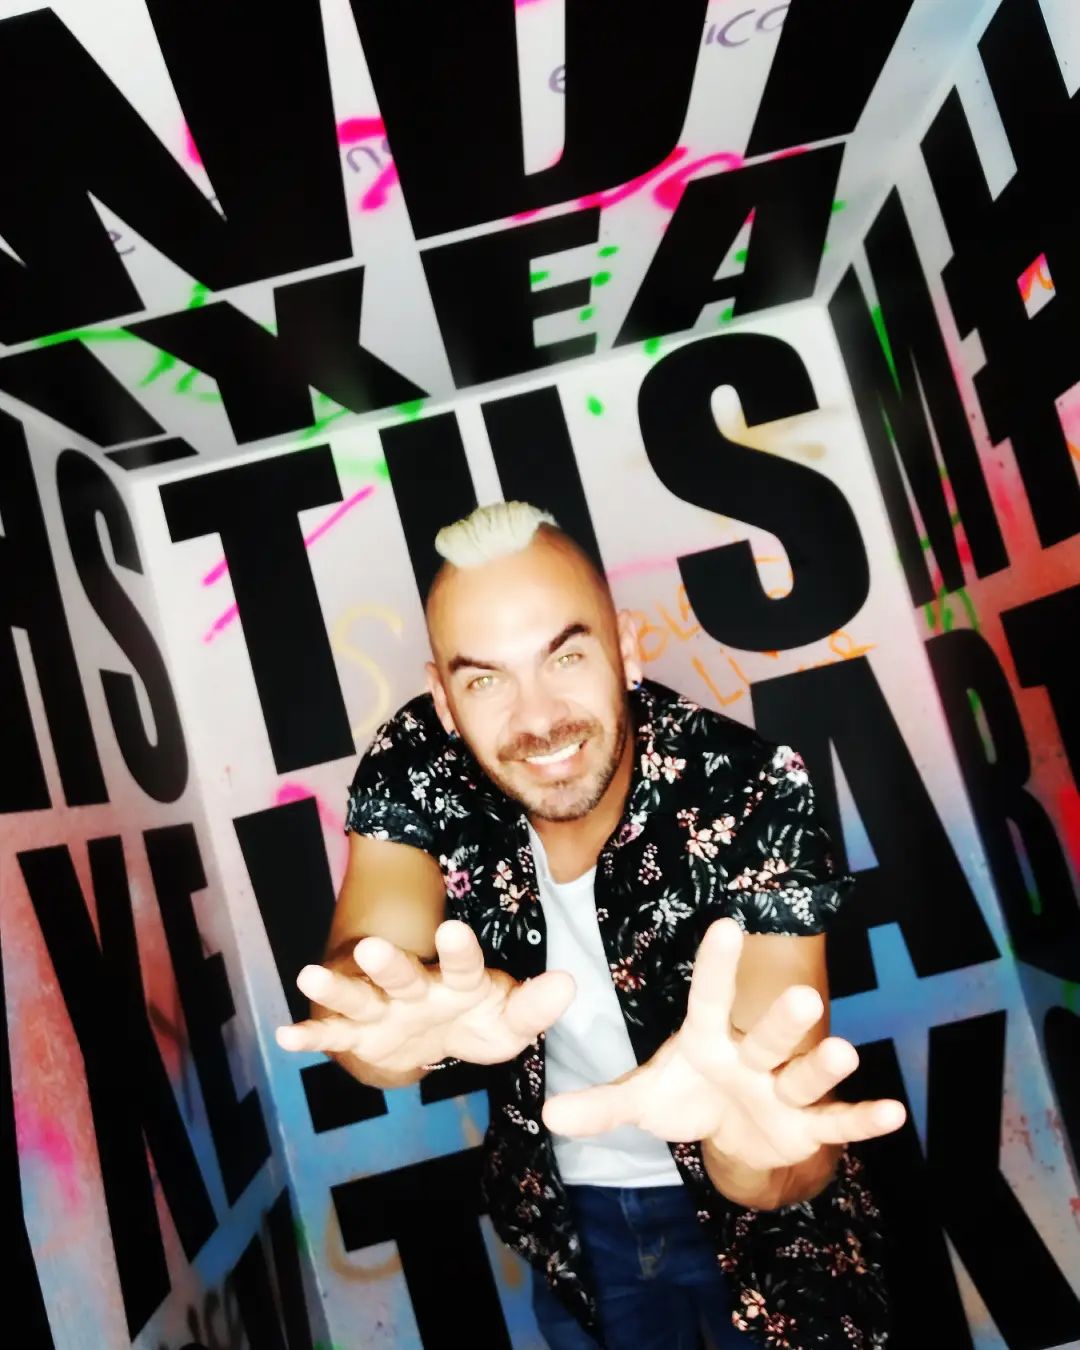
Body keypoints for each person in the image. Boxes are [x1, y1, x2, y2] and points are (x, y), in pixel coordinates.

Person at [276, 502, 905, 1349]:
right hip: (570, 1223)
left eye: (566, 656)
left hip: (773, 1246)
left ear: (627, 648)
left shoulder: (750, 789)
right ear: (444, 699)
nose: (538, 719)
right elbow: (366, 976)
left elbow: (784, 1122)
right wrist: (384, 1034)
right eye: (485, 680)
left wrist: (747, 1150)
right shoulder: (417, 763)